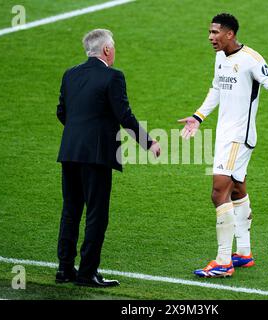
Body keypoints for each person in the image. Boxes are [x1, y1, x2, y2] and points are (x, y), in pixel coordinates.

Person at [179, 13, 268, 278]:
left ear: (230, 34)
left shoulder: (251, 59)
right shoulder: (220, 58)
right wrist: (198, 116)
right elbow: (216, 89)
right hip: (225, 135)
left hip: (239, 137)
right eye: (210, 32)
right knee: (236, 189)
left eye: (215, 33)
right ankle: (244, 253)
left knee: (218, 192)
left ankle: (223, 261)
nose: (210, 37)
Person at [55, 29, 161, 287]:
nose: (114, 51)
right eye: (113, 46)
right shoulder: (113, 77)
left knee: (70, 211)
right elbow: (124, 116)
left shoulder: (70, 74)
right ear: (106, 50)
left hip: (70, 152)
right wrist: (149, 142)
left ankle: (65, 269)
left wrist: (79, 134)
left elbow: (62, 112)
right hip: (97, 155)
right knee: (96, 214)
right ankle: (87, 273)